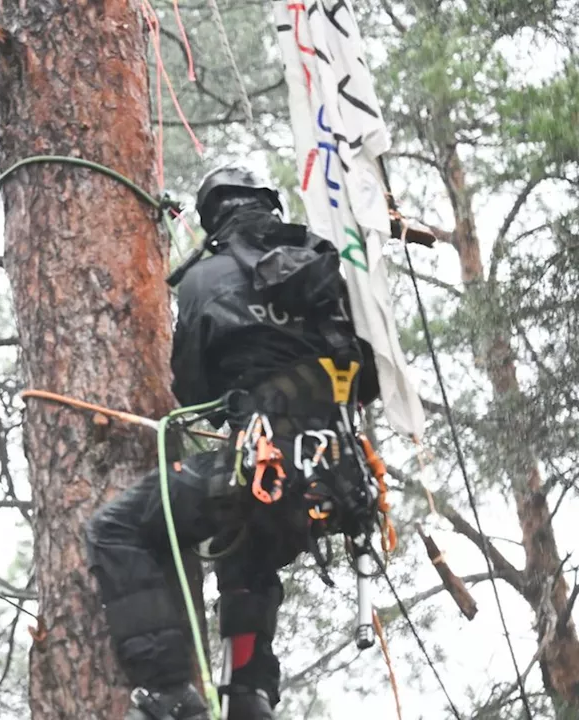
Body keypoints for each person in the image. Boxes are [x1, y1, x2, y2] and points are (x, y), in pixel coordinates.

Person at [85, 166, 382, 720]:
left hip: (264, 463)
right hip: (336, 476)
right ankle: (249, 694)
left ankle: (171, 690)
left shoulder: (206, 278)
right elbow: (368, 375)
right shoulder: (326, 270)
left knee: (116, 528)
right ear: (269, 207)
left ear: (214, 218)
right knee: (247, 546)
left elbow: (191, 386)